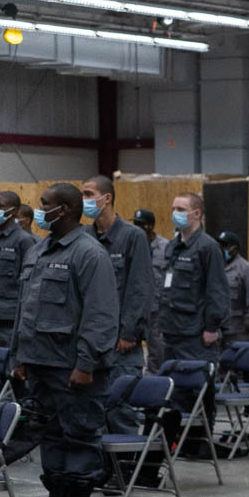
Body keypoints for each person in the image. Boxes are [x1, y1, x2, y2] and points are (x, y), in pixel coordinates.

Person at [11, 183, 119, 497]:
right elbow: (25, 310)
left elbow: (100, 315)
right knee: (51, 433)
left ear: (66, 210)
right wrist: (20, 356)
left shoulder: (89, 253)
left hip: (72, 366)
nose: (40, 211)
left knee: (79, 433)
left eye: (46, 205)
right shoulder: (38, 250)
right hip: (40, 363)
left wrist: (86, 364)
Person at [81, 175, 154, 436]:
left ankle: (126, 460)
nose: (84, 200)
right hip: (90, 342)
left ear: (107, 198)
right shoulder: (84, 237)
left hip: (121, 344)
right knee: (92, 413)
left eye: (89, 195)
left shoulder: (133, 237)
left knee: (120, 411)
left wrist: (129, 332)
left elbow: (140, 287)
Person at [157, 192, 228, 454]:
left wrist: (212, 327)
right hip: (172, 330)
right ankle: (180, 441)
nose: (175, 213)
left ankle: (200, 442)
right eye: (173, 208)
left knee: (199, 387)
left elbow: (216, 290)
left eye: (181, 208)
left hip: (195, 332)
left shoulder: (208, 247)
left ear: (197, 213)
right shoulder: (172, 246)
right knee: (175, 390)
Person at [0, 191, 37, 398]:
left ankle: (20, 415)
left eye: (0, 206)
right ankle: (1, 414)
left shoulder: (24, 241)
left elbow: (30, 286)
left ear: (14, 210)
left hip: (12, 323)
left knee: (16, 377)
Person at [134, 208, 173, 370]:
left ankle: (157, 374)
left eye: (141, 225)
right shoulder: (133, 244)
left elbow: (171, 277)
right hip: (137, 305)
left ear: (150, 226)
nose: (137, 228)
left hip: (158, 305)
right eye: (135, 224)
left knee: (156, 345)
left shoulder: (165, 247)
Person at [217, 231, 249, 343]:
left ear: (235, 249)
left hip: (238, 332)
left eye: (225, 246)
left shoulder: (246, 269)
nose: (221, 249)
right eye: (220, 245)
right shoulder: (216, 266)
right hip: (217, 331)